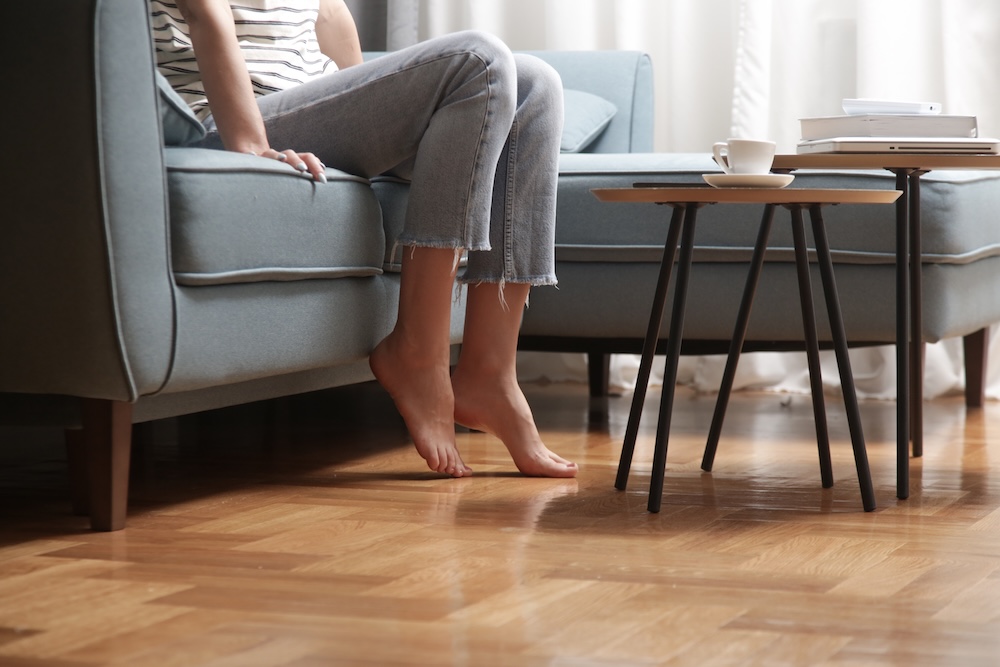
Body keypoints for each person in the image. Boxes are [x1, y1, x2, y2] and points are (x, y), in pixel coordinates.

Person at [151, 0, 578, 478]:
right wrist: (249, 146)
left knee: (536, 86)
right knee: (477, 59)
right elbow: (203, 10)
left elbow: (329, 14)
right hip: (229, 116)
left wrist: (379, 108)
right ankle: (417, 353)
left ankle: (490, 373)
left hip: (314, 106)